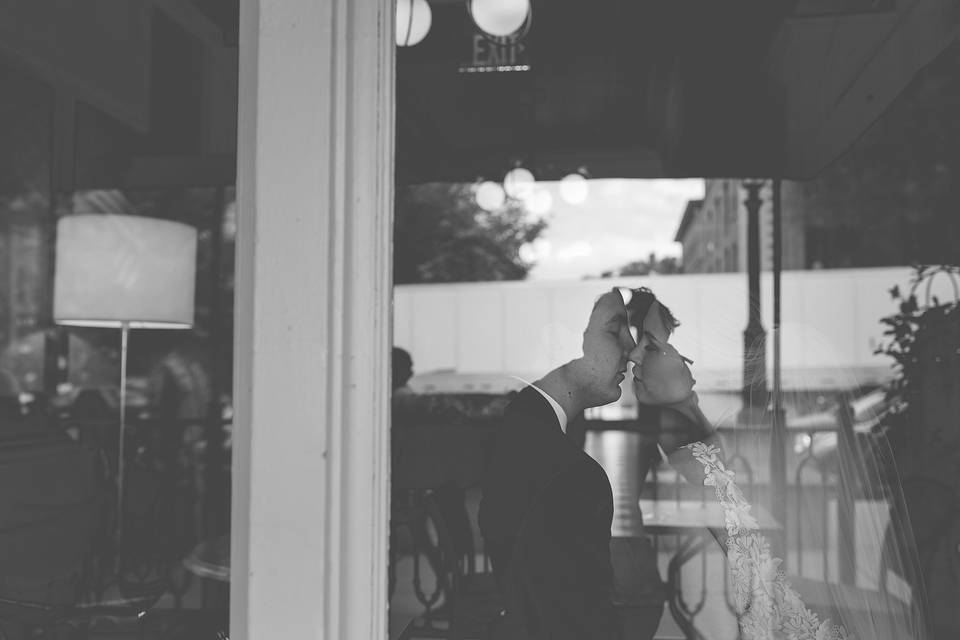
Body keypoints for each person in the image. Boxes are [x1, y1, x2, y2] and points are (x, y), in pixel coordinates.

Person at [480, 288, 666, 640]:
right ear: (560, 344)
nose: (632, 347)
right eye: (614, 330)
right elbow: (578, 620)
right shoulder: (573, 476)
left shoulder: (521, 427)